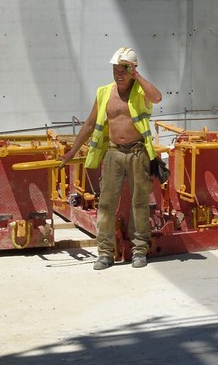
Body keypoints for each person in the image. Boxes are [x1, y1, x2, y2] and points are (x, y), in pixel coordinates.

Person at [64, 47, 162, 270]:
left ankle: (139, 251)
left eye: (124, 69)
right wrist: (72, 150)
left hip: (138, 152)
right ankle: (105, 253)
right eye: (116, 69)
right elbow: (90, 124)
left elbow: (157, 97)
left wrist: (136, 75)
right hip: (113, 153)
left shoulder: (140, 92)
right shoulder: (104, 93)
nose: (119, 73)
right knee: (106, 204)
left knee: (139, 203)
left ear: (133, 69)